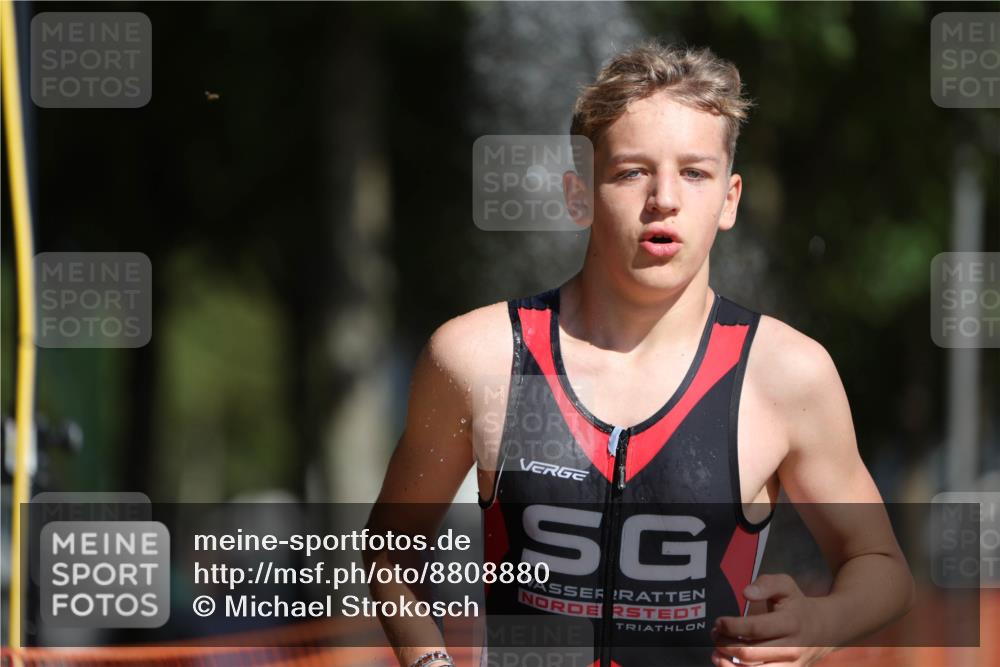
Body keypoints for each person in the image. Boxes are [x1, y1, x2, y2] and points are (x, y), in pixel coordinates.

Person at [366, 41, 915, 667]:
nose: (664, 199)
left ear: (729, 198)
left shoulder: (787, 374)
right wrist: (429, 663)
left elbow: (880, 566)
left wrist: (821, 620)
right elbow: (390, 551)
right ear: (578, 195)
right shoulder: (478, 357)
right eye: (631, 171)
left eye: (694, 172)